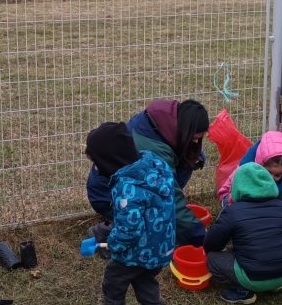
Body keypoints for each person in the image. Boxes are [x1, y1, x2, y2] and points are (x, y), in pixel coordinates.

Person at [82, 122, 177, 305]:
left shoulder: (128, 188)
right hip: (161, 244)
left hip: (140, 247)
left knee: (115, 277)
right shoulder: (153, 165)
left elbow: (130, 229)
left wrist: (114, 244)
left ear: (109, 160)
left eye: (96, 162)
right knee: (144, 278)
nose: (96, 168)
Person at [86, 99, 209, 246]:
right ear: (185, 129)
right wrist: (198, 235)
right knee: (154, 221)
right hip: (106, 195)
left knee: (191, 158)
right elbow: (170, 198)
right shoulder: (155, 151)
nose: (196, 143)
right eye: (194, 138)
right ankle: (106, 233)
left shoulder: (165, 121)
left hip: (125, 187)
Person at [203, 163, 282, 304]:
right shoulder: (281, 205)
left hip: (254, 278)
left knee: (212, 259)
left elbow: (212, 244)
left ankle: (242, 292)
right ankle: (275, 284)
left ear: (237, 187)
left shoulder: (233, 211)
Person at [216, 130, 282, 208]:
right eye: (268, 172)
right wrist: (227, 198)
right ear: (260, 164)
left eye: (277, 175)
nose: (271, 178)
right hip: (249, 200)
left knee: (281, 203)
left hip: (270, 200)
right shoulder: (245, 170)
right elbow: (230, 185)